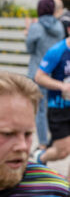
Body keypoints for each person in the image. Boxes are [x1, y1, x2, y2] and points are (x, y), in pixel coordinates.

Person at [26, 0, 65, 151]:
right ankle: (53, 140)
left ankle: (42, 144)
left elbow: (29, 48)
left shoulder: (36, 27)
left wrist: (28, 31)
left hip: (37, 72)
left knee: (40, 110)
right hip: (54, 75)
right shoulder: (59, 27)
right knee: (51, 108)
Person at [34, 23, 70, 175]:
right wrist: (62, 86)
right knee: (63, 151)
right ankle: (40, 157)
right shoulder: (57, 51)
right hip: (59, 108)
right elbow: (39, 77)